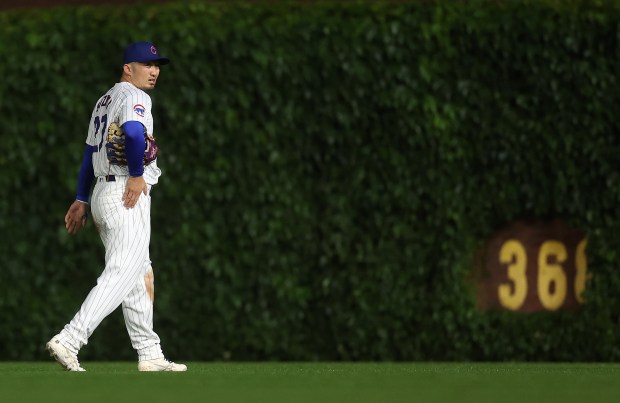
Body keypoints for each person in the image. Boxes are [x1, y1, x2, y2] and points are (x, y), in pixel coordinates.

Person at [46, 42, 186, 372]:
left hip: (102, 192)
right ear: (128, 68)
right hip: (126, 192)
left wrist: (81, 198)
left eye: (157, 65)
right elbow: (135, 135)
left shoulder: (105, 100)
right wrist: (137, 175)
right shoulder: (136, 97)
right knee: (123, 270)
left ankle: (149, 352)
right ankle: (70, 338)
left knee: (140, 273)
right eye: (146, 64)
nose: (154, 71)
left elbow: (88, 154)